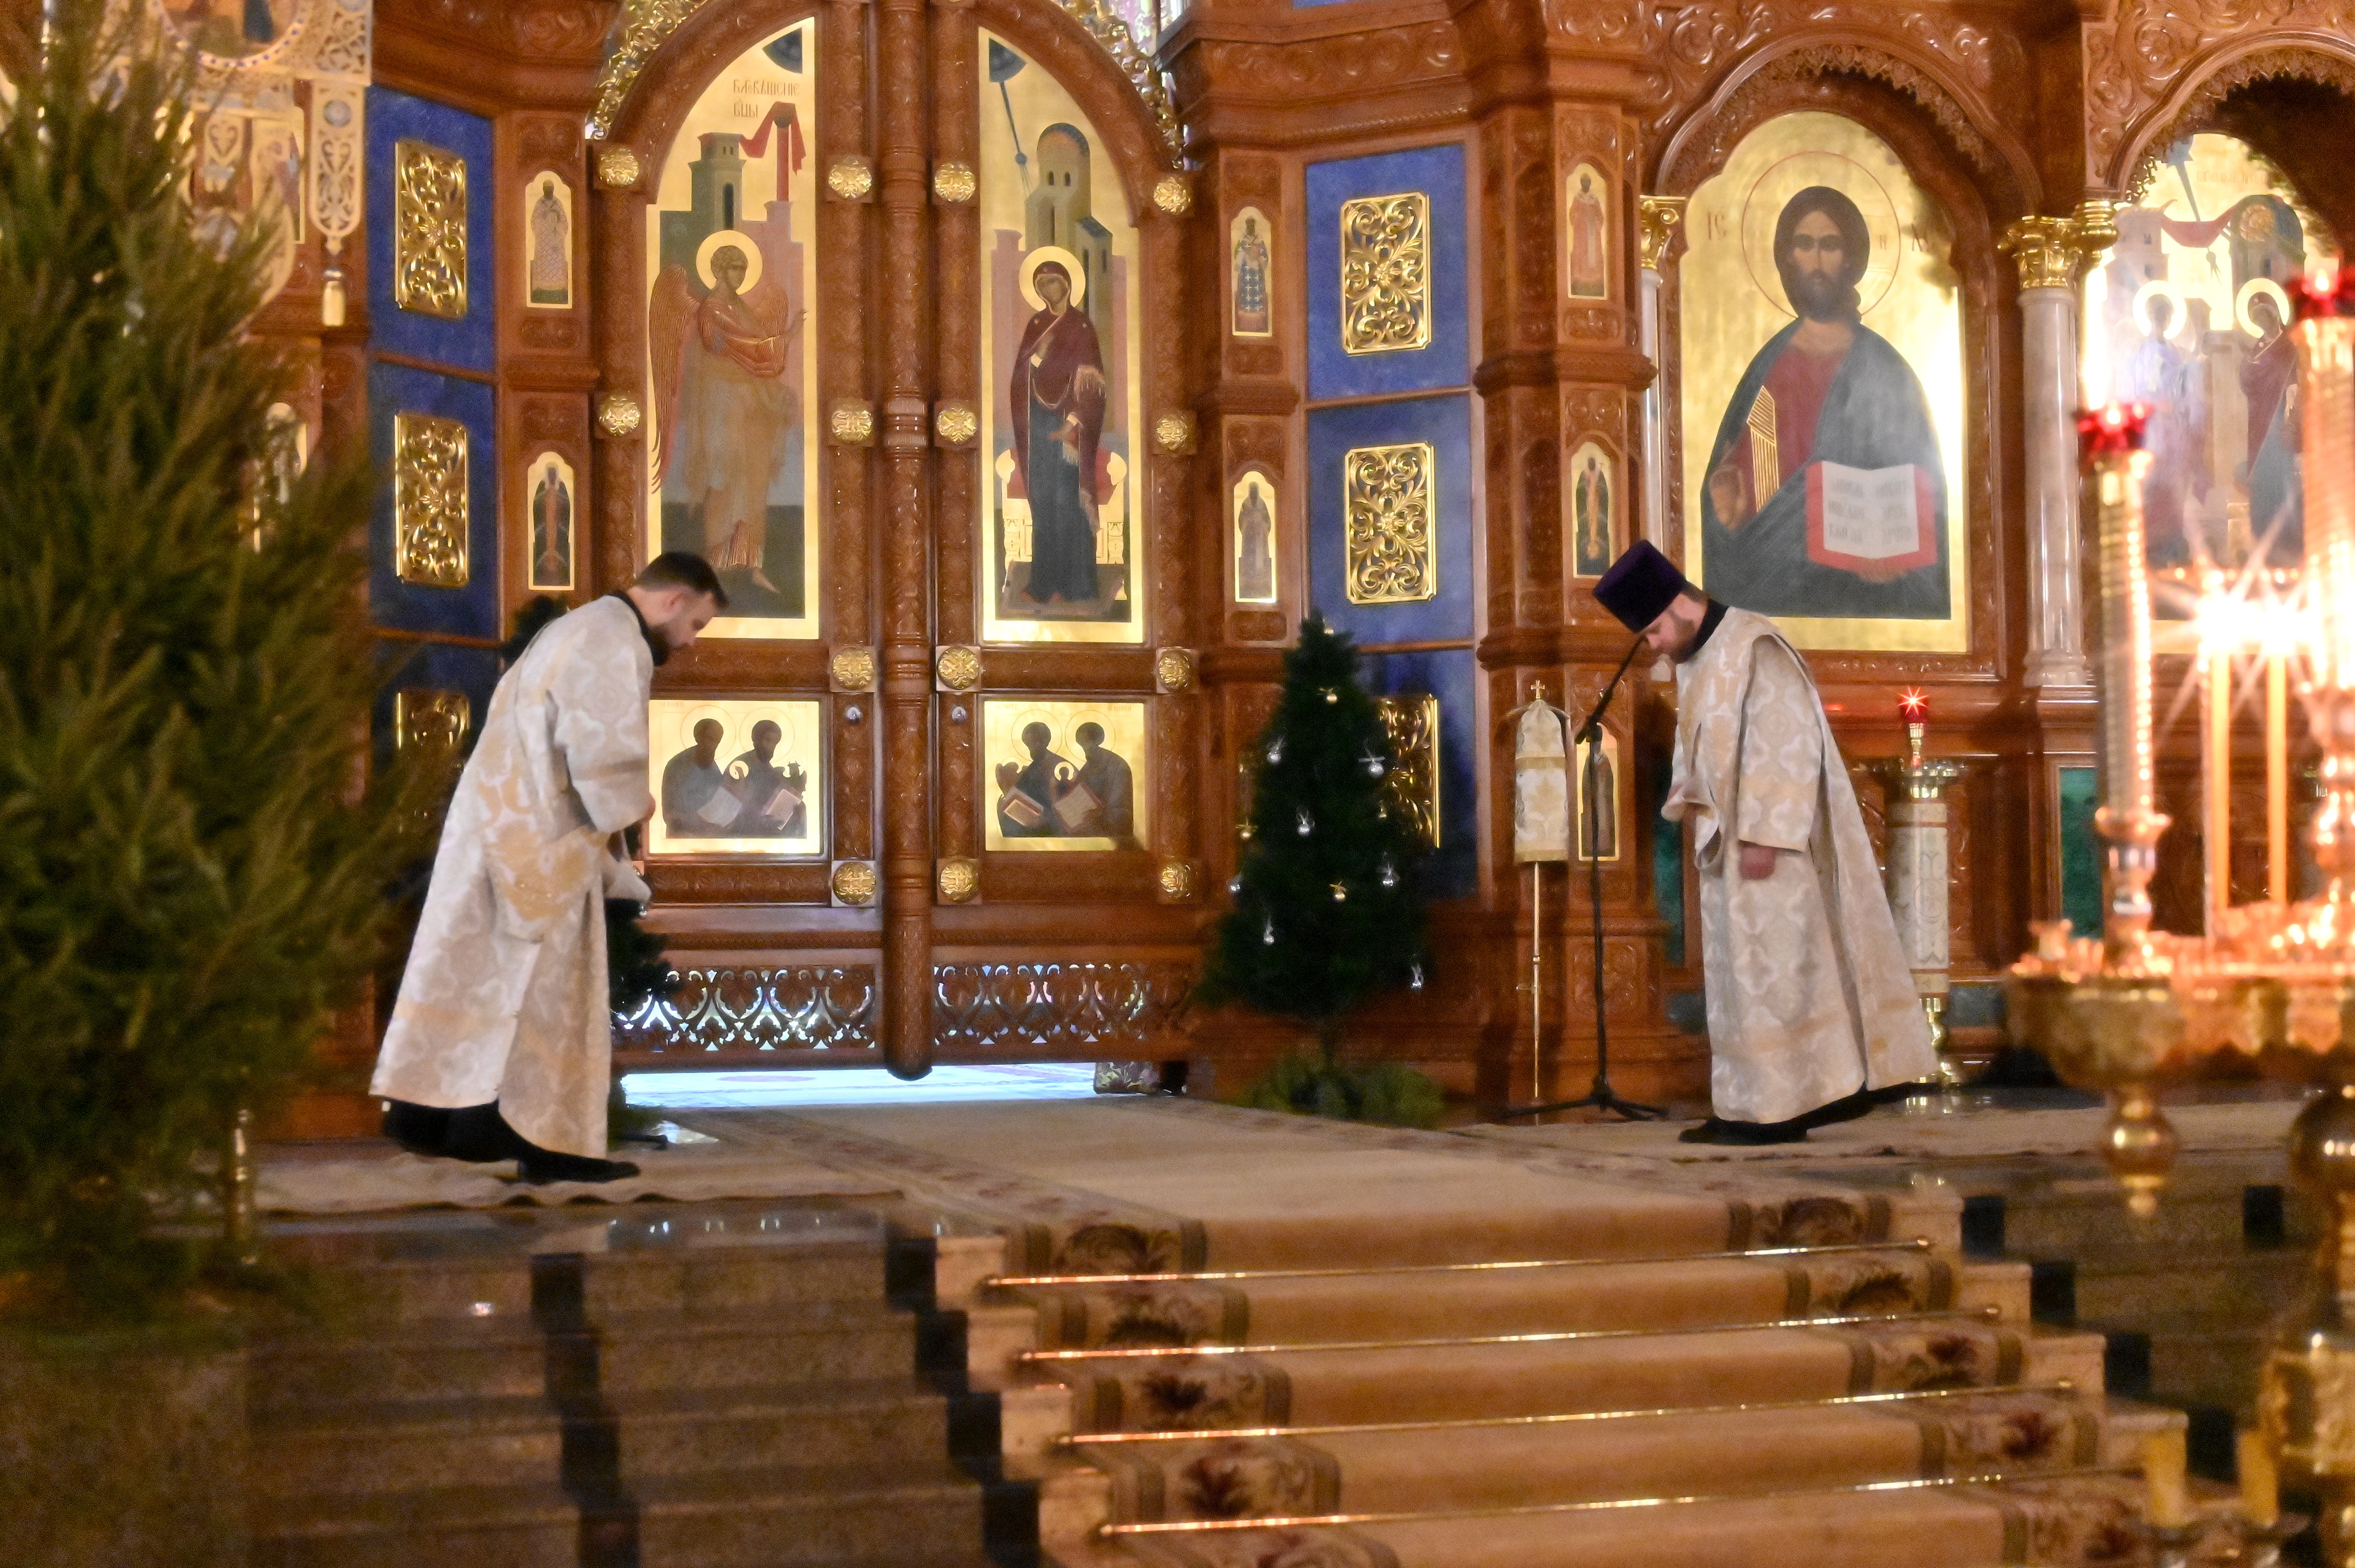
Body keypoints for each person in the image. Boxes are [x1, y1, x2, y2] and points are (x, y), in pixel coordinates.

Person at [371, 553, 727, 1183]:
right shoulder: (613, 639)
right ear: (673, 600)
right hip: (545, 841)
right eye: (695, 623)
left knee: (480, 979)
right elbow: (604, 754)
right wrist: (635, 814)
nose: (691, 641)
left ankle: (436, 1120)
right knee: (546, 995)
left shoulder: (572, 628)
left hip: (499, 825)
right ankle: (546, 1141)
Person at [1595, 541, 1935, 1143]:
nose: (1652, 646)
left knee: (1778, 978)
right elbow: (1702, 747)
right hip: (1726, 846)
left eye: (1652, 632)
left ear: (1678, 607)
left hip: (1768, 849)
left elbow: (1785, 741)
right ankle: (1750, 1103)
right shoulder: (1698, 659)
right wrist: (1693, 803)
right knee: (1743, 983)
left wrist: (1764, 835)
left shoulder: (1755, 646)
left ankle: (1784, 1107)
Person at [1699, 186, 1947, 619]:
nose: (1815, 260)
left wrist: (1897, 550)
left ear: (1850, 259)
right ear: (1787, 257)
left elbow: (1924, 488)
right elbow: (1730, 493)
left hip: (1862, 589)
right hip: (1766, 586)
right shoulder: (1768, 363)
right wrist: (1728, 507)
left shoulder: (1884, 368)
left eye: (1830, 245)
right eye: (1804, 244)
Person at [1009, 259, 1108, 606]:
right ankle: (1043, 583)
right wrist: (1037, 358)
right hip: (1039, 424)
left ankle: (1076, 586)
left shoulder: (1081, 326)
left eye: (1052, 282)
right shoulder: (1037, 325)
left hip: (1071, 428)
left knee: (1068, 503)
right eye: (1041, 285)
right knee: (1043, 501)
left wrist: (1072, 422)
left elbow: (1093, 381)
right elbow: (1022, 376)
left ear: (1066, 284)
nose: (1047, 290)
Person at [727, 719, 808, 838]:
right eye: (768, 740)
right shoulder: (741, 764)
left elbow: (778, 794)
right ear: (756, 740)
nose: (771, 747)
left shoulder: (768, 768)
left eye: (775, 742)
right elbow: (735, 801)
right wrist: (762, 819)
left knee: (800, 809)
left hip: (767, 821)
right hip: (745, 824)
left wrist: (794, 794)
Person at [661, 718, 739, 837]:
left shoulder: (713, 770)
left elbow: (719, 806)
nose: (713, 745)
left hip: (708, 836)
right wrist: (701, 824)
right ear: (698, 737)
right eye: (710, 739)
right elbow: (671, 813)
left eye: (717, 741)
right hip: (682, 837)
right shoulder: (678, 766)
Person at [1060, 721, 1135, 844]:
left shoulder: (1117, 765)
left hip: (1111, 827)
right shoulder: (1087, 767)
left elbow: (1121, 804)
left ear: (1098, 740)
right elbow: (1078, 794)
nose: (1085, 749)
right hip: (1087, 823)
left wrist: (1100, 812)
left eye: (1087, 743)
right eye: (1081, 744)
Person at [996, 721, 1071, 838]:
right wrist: (1007, 792)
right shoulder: (1028, 772)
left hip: (1056, 824)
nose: (1035, 747)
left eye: (1038, 742)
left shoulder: (1061, 765)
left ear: (1047, 741)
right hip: (1035, 826)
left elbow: (1070, 803)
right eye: (1030, 744)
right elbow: (1019, 799)